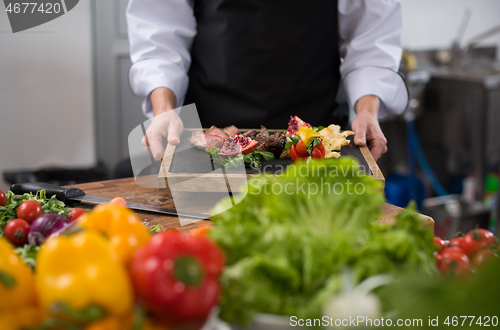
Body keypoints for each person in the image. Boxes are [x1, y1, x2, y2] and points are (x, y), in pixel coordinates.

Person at [126, 0, 408, 161]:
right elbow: (159, 32)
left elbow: (370, 38)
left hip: (315, 140)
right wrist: (164, 110)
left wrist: (367, 111)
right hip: (209, 136)